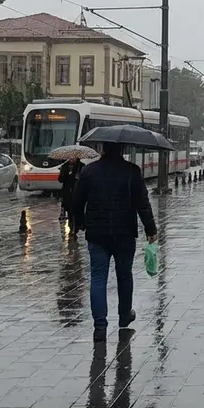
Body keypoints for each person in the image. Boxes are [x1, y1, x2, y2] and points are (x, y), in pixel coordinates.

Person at [72, 142, 157, 342]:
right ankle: (124, 315)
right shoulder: (132, 172)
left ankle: (100, 326)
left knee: (98, 277)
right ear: (122, 150)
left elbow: (76, 202)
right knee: (124, 276)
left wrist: (81, 223)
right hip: (124, 233)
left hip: (97, 234)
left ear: (103, 149)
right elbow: (142, 203)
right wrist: (150, 229)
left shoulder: (89, 172)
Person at [58, 156, 82, 228]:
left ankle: (77, 225)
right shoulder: (64, 166)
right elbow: (60, 179)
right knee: (69, 209)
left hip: (77, 191)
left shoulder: (81, 166)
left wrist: (78, 178)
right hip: (67, 192)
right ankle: (71, 225)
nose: (72, 159)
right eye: (71, 158)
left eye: (74, 158)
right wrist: (66, 175)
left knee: (76, 209)